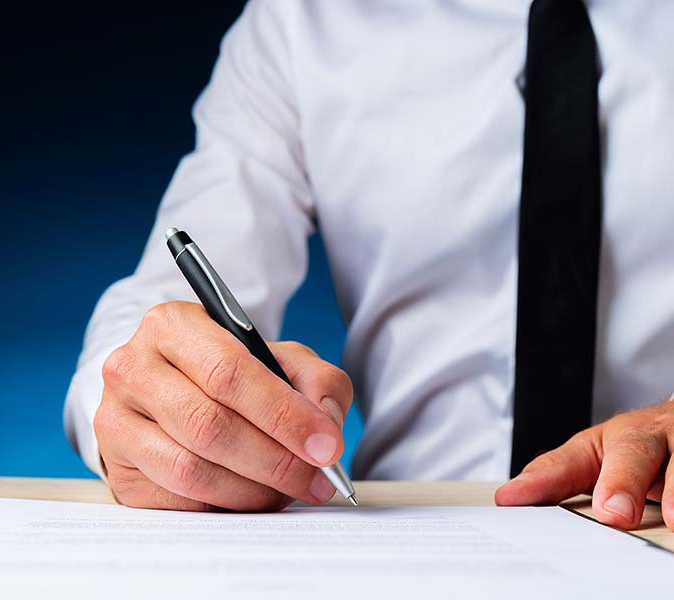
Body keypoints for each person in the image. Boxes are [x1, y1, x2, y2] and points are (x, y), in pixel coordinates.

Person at [64, 0, 674, 530]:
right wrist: (150, 398)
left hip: (653, 520)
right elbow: (171, 301)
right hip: (407, 537)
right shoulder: (306, 24)